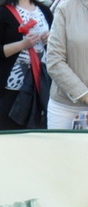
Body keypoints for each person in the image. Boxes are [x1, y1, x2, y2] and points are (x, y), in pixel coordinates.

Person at [0, 0, 52, 130]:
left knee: (39, 135)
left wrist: (51, 38)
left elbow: (57, 43)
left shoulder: (44, 10)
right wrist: (22, 45)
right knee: (12, 137)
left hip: (41, 84)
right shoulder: (1, 12)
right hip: (12, 88)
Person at [46, 0, 88, 129]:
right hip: (65, 109)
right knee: (59, 150)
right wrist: (84, 95)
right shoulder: (65, 8)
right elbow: (54, 60)